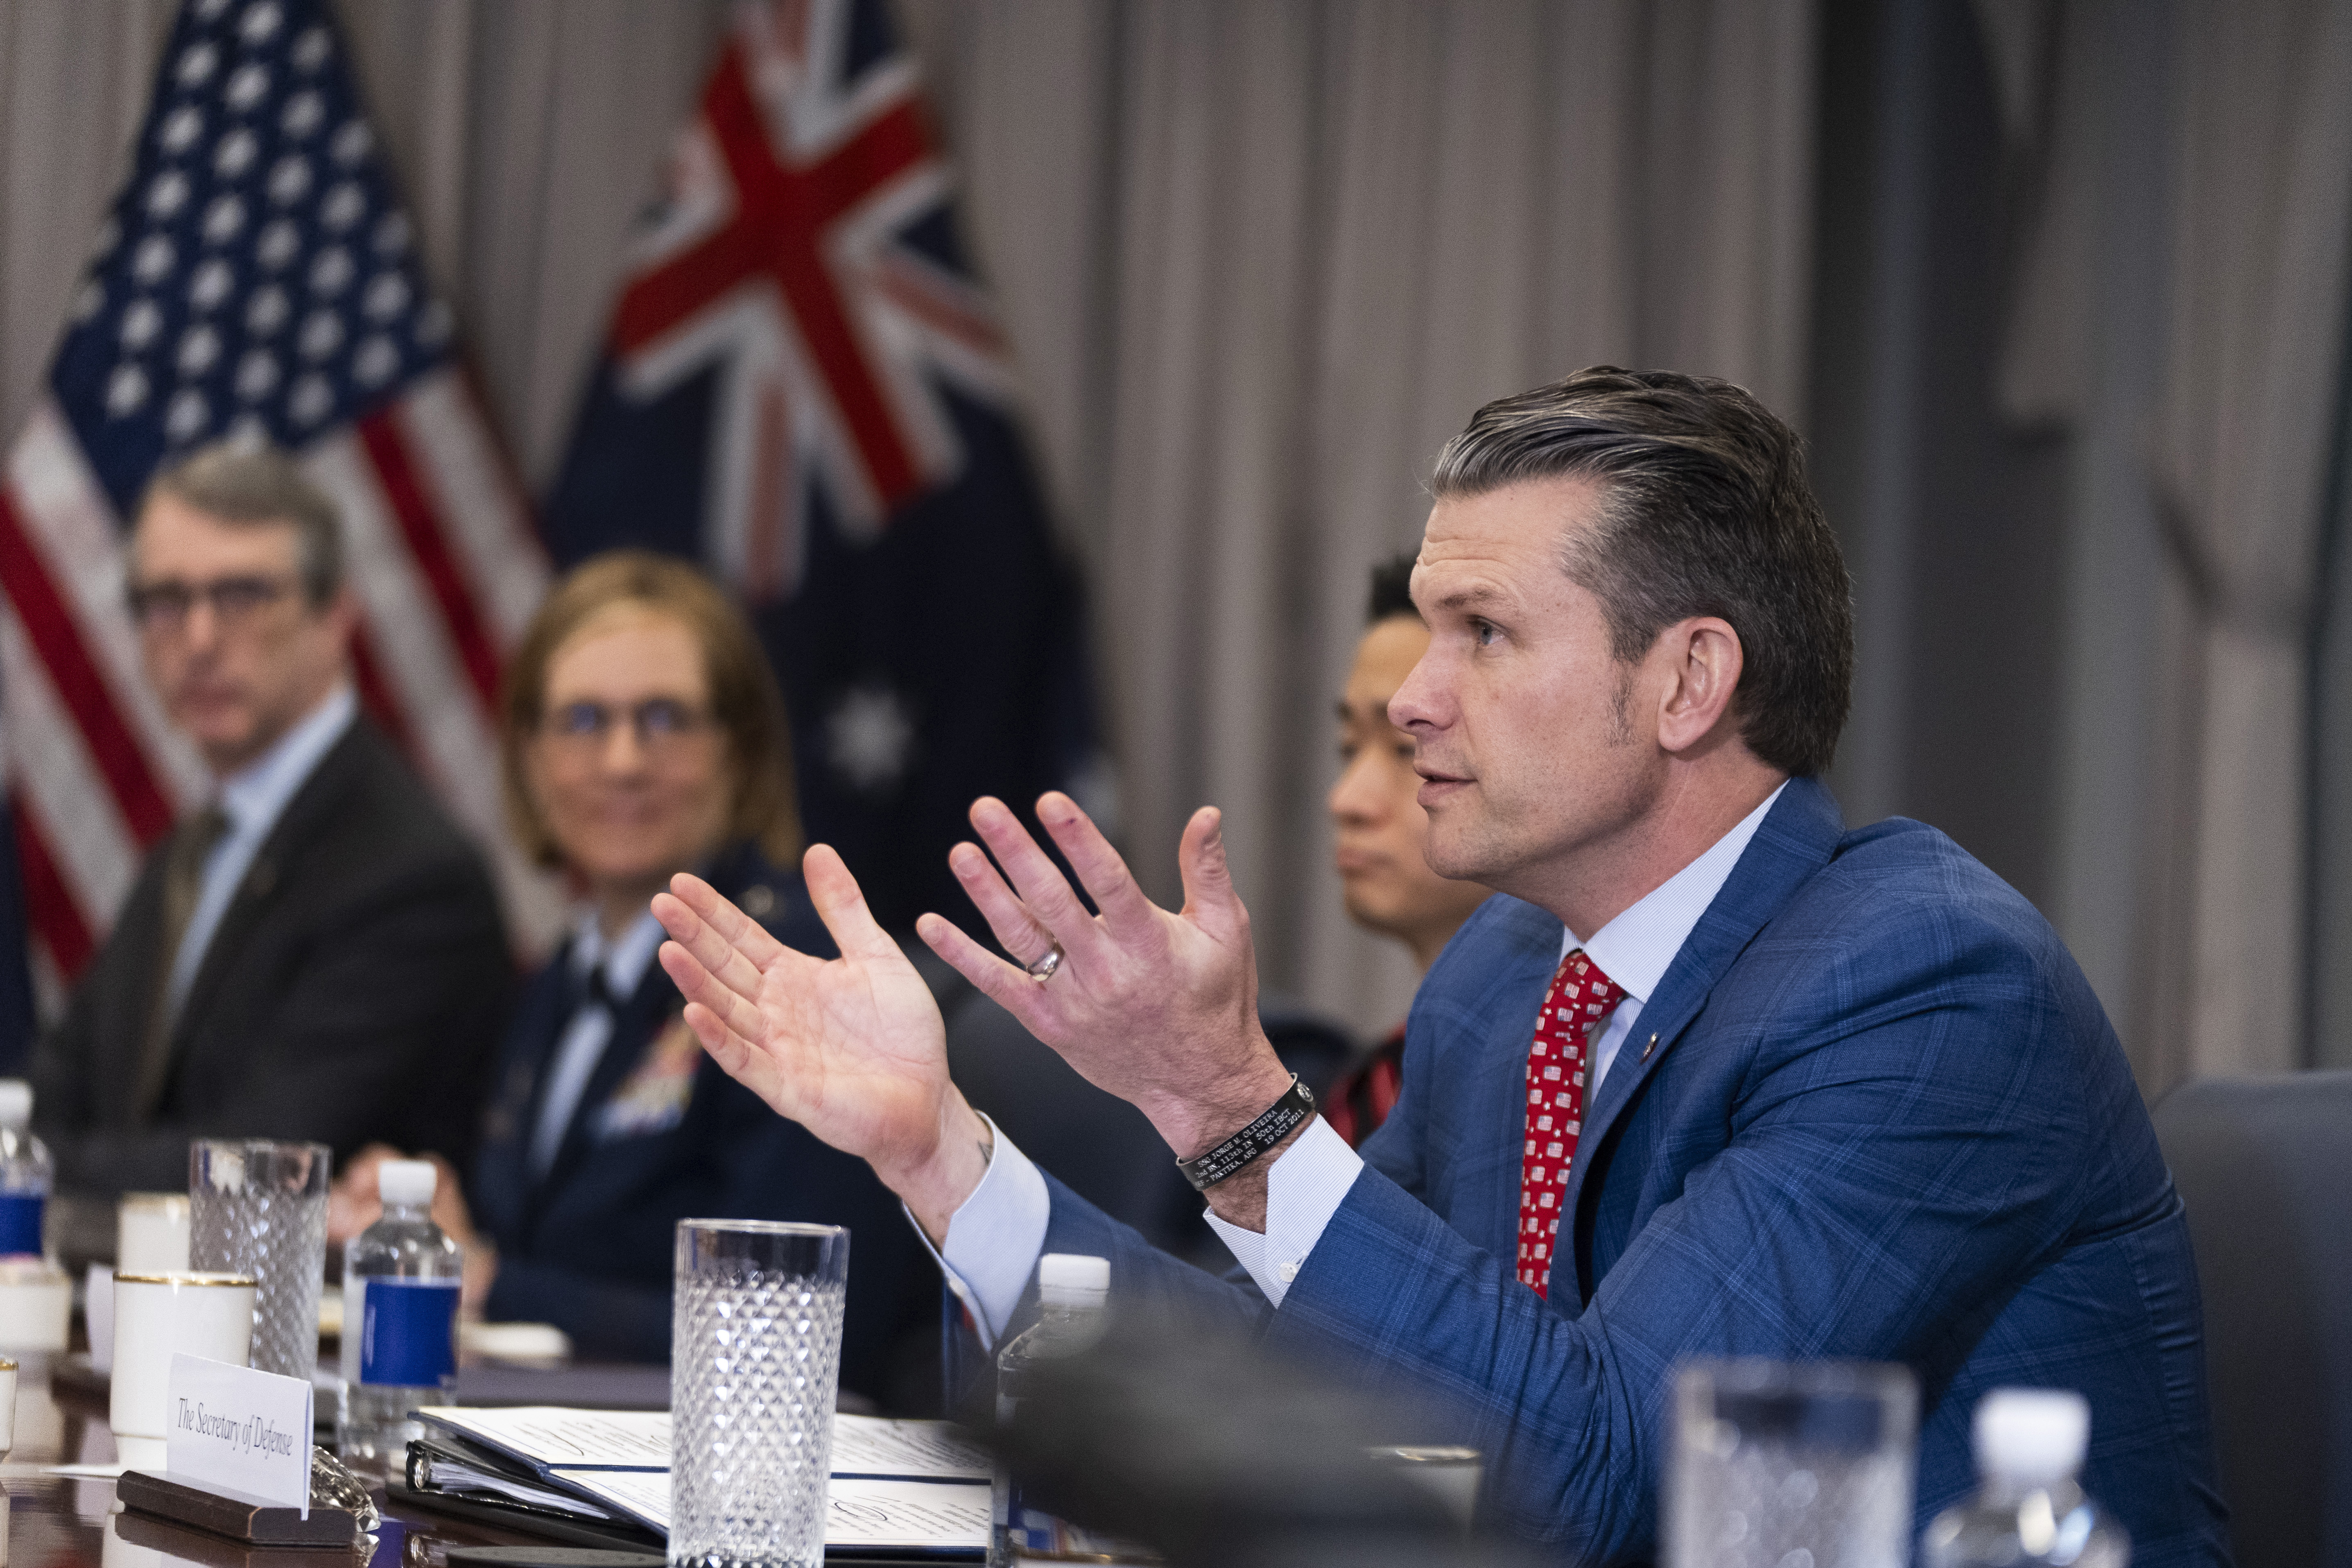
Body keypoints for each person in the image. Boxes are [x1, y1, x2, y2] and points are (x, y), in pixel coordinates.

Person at [651, 369, 2228, 1563]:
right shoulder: (1502, 982)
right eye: (1422, 627)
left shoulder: (1930, 991)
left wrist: (1227, 1106)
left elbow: (1605, 1483)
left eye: (1480, 631)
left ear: (1686, 680)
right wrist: (942, 1158)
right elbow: (1276, 1398)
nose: (1410, 699)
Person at [329, 552, 937, 1403]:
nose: (621, 761)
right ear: (531, 760)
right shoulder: (555, 982)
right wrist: (435, 1227)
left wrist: (491, 1282)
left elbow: (799, 1328)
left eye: (665, 719)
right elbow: (545, 1244)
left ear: (741, 751)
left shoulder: (791, 978)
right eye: (581, 720)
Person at [29, 442, 507, 1198]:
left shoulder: (410, 875)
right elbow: (60, 1088)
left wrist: (24, 1169)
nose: (199, 640)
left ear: (334, 615)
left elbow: (258, 1169)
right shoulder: (191, 852)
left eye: (242, 596)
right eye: (165, 601)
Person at [1323, 552, 1492, 1146]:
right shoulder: (1372, 1087)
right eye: (1349, 746)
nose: (1346, 799)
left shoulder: (1566, 1083)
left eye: (1404, 749)